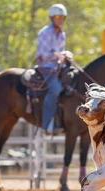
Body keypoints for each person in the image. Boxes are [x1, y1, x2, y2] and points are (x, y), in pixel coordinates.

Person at [35, 3, 73, 134]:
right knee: (55, 89)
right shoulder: (45, 33)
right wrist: (57, 55)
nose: (60, 19)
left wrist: (65, 55)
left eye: (63, 17)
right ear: (52, 18)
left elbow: (60, 51)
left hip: (58, 67)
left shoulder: (62, 34)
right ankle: (47, 123)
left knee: (74, 83)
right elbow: (42, 55)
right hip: (46, 68)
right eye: (58, 16)